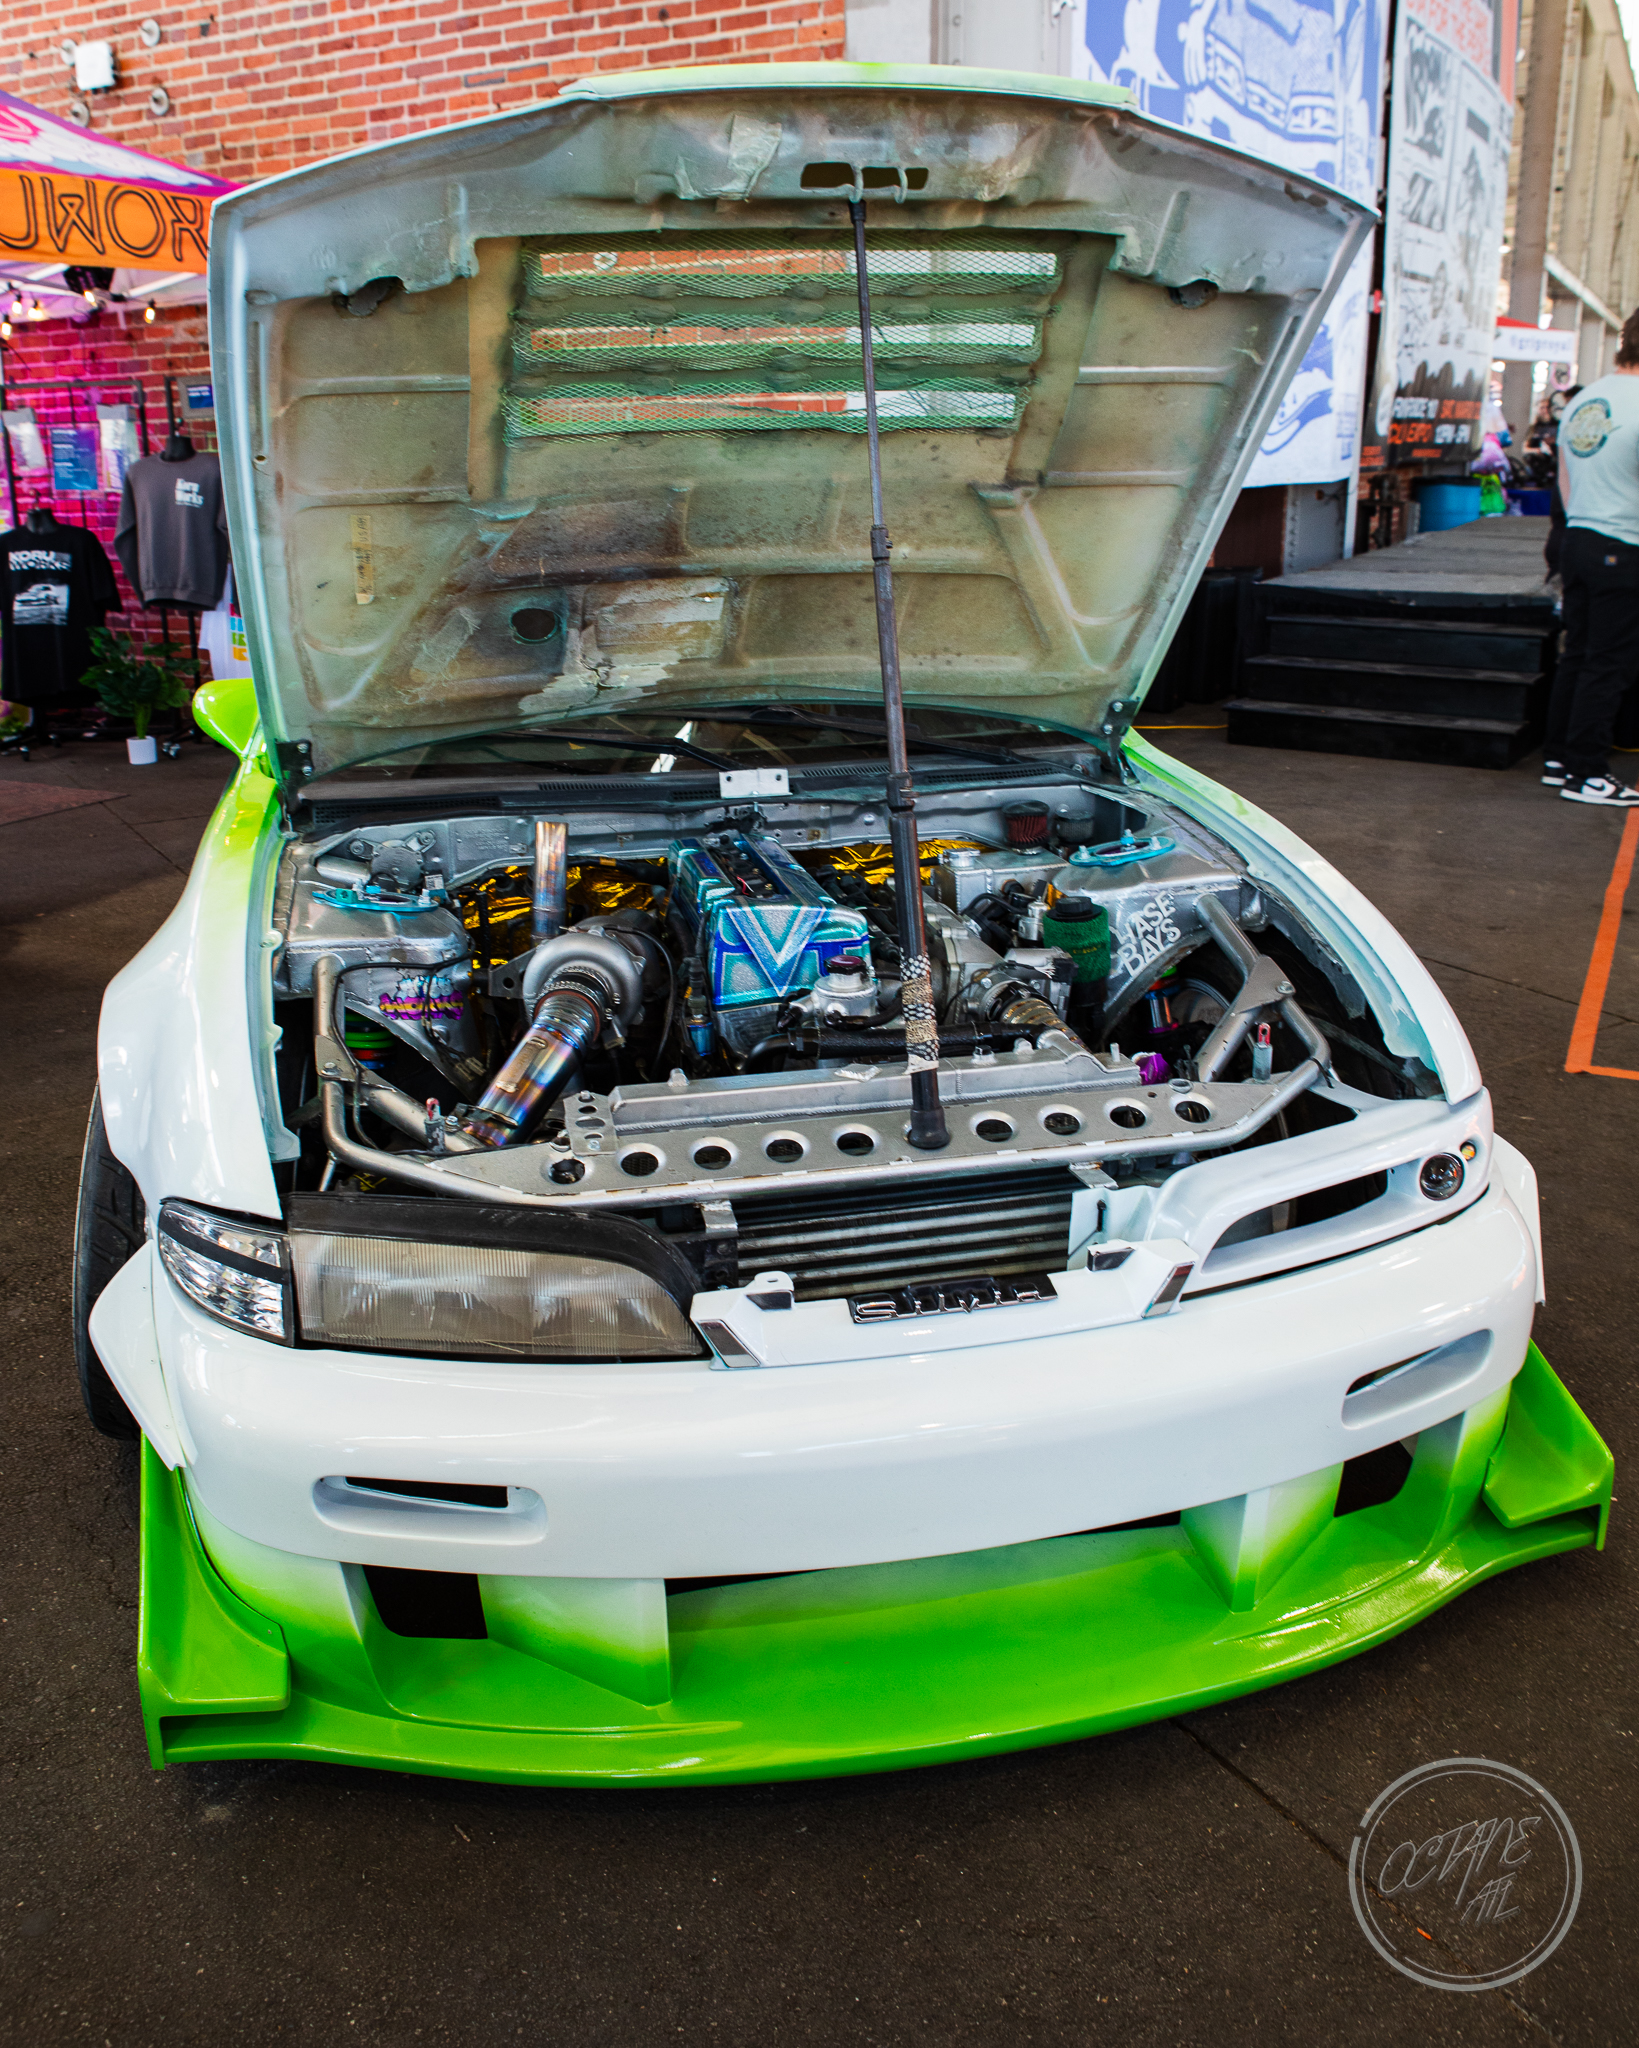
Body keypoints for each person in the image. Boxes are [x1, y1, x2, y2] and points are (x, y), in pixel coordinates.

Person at [1542, 316, 1639, 804]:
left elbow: (1564, 481)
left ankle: (1559, 759)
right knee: (1608, 663)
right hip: (1623, 544)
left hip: (1577, 538)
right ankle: (1587, 773)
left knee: (1578, 654)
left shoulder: (1586, 399)